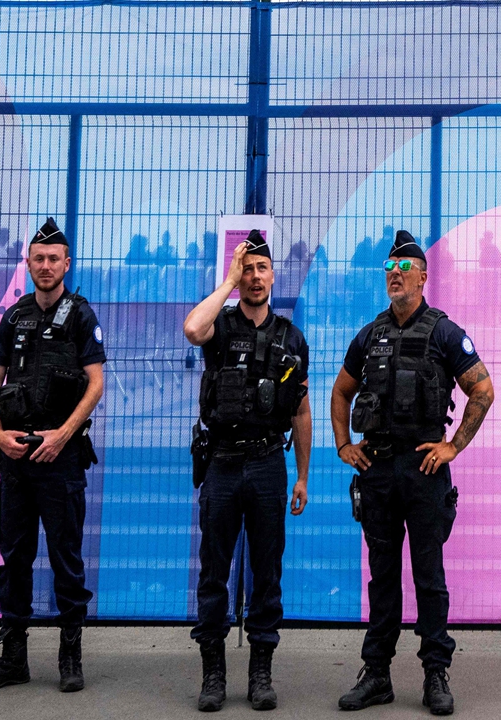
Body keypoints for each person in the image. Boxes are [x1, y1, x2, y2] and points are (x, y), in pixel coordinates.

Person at [331, 230, 494, 716]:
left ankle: (435, 674)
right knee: (381, 578)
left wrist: (451, 447)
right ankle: (377, 674)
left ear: (423, 276)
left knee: (429, 577)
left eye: (404, 268)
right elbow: (341, 392)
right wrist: (344, 445)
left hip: (423, 474)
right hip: (378, 471)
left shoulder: (444, 333)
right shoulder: (370, 335)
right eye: (389, 268)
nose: (395, 274)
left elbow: (482, 391)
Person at [182, 229, 312, 712]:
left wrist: (301, 475)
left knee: (267, 572)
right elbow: (192, 329)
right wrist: (227, 281)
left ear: (274, 275)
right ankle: (213, 674)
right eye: (247, 270)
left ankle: (261, 672)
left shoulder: (290, 338)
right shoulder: (221, 326)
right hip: (221, 464)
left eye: (261, 269)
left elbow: (300, 411)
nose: (255, 278)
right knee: (215, 572)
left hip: (267, 466)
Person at [0, 218, 105, 694]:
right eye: (38, 258)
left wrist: (63, 435)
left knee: (66, 557)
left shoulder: (82, 316)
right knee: (15, 558)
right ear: (28, 263)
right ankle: (13, 659)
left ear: (67, 264)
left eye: (54, 259)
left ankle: (71, 655)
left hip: (61, 459)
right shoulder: (15, 316)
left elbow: (96, 383)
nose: (45, 265)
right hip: (15, 457)